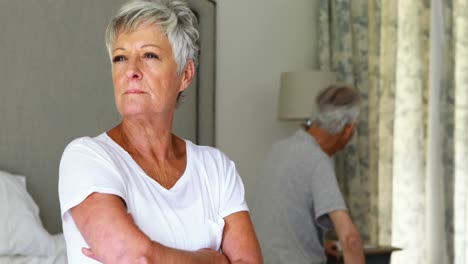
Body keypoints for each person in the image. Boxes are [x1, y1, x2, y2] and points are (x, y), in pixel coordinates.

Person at [58, 0, 263, 263]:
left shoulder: (216, 168)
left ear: (185, 74)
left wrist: (154, 252)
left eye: (149, 55)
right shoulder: (86, 157)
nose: (131, 71)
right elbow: (132, 257)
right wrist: (212, 259)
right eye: (120, 58)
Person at [251, 84, 365, 264]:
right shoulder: (318, 160)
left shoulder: (277, 149)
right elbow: (350, 240)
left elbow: (279, 222)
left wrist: (315, 244)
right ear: (348, 130)